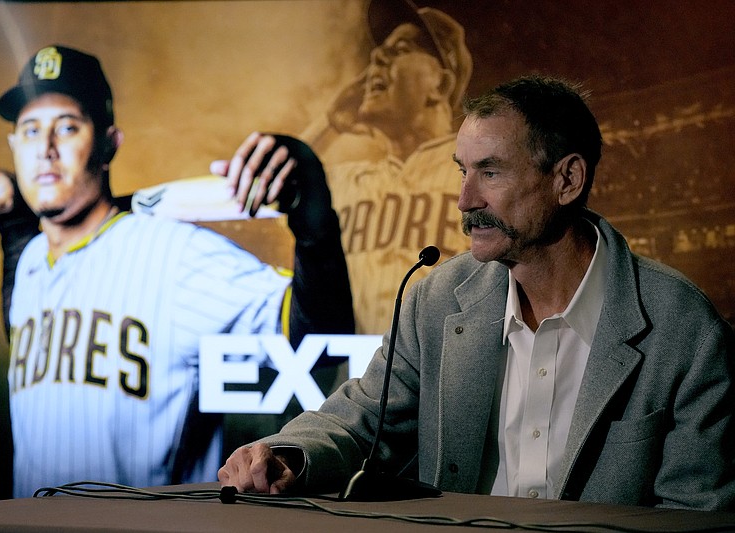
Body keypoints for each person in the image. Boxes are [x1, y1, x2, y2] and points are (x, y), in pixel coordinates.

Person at [218, 75, 735, 510]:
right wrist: (287, 454)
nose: (465, 200)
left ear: (568, 180)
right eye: (463, 171)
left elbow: (695, 518)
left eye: (490, 171)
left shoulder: (685, 331)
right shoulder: (435, 301)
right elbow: (360, 422)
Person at [0, 44, 354, 498]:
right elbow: (32, 322)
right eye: (29, 129)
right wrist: (11, 222)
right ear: (13, 145)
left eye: (67, 126)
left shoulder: (175, 254)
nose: (44, 149)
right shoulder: (28, 262)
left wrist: (312, 218)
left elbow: (319, 334)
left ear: (108, 141)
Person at [300, 0, 473, 333]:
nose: (376, 57)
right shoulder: (350, 181)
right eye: (380, 52)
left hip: (439, 373)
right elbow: (260, 187)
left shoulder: (474, 176)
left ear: (440, 84)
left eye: (401, 49)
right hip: (355, 377)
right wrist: (330, 123)